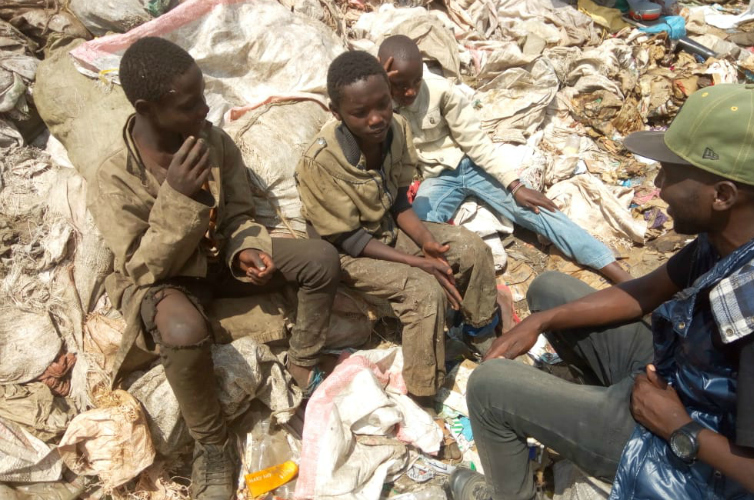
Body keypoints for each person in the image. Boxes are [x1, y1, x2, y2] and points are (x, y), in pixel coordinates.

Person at [450, 83, 754, 500]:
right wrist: (540, 321)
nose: (658, 183)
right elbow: (648, 290)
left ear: (722, 195)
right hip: (677, 378)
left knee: (489, 388)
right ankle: (581, 417)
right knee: (549, 291)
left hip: (681, 447)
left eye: (671, 174)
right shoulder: (749, 228)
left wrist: (679, 427)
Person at [87, 37, 341, 500]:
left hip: (215, 263)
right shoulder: (114, 177)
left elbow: (239, 216)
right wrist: (179, 197)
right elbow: (144, 268)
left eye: (203, 97)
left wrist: (245, 250)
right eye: (189, 106)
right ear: (147, 108)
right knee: (182, 327)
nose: (204, 111)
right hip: (163, 281)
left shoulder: (212, 142)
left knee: (321, 259)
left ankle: (304, 362)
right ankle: (213, 444)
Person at [296, 50, 497, 408]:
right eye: (360, 113)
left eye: (383, 106)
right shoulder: (321, 163)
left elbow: (400, 199)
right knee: (423, 291)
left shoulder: (398, 129)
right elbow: (349, 238)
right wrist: (417, 264)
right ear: (336, 113)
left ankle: (479, 333)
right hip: (346, 252)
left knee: (471, 248)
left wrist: (425, 242)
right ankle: (422, 391)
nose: (376, 119)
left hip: (386, 228)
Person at [377, 35, 631, 285]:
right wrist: (381, 92)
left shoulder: (442, 91)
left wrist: (515, 185)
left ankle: (610, 266)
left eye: (416, 81)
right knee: (420, 230)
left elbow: (476, 143)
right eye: (399, 85)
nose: (409, 91)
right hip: (436, 177)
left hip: (471, 164)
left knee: (536, 210)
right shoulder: (378, 102)